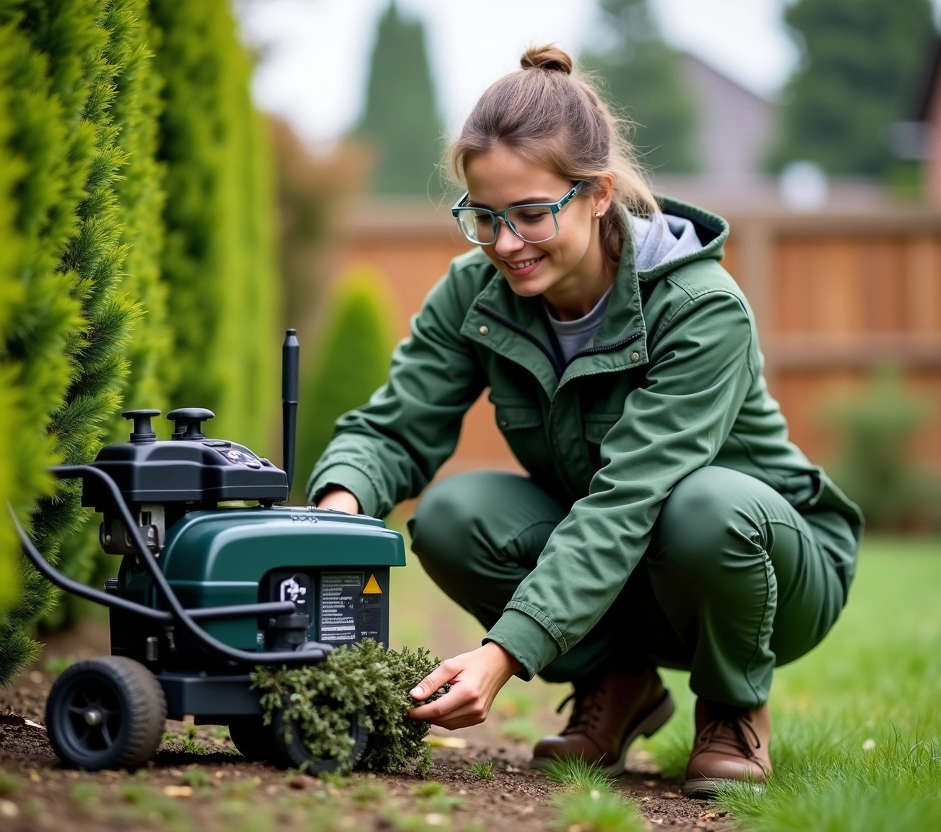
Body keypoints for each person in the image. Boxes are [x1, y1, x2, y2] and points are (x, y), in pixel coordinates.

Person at [308, 45, 862, 798]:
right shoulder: (475, 294)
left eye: (532, 214)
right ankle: (618, 681)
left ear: (598, 194)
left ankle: (734, 708)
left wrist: (502, 655)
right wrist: (335, 511)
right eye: (484, 217)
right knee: (451, 517)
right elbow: (396, 428)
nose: (506, 244)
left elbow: (629, 497)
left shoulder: (699, 308)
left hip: (764, 572)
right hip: (632, 570)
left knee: (704, 507)